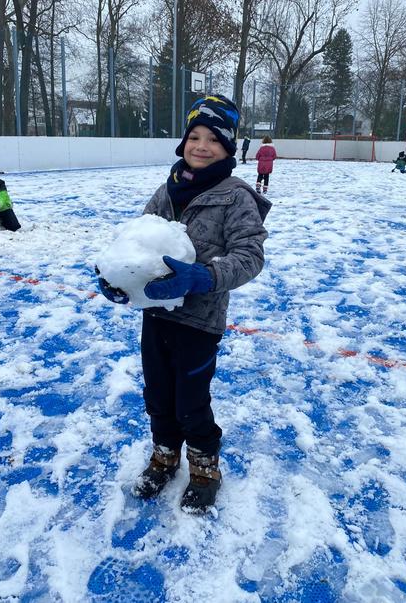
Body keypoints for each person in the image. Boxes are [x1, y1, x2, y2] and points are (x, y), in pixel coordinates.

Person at [96, 95, 271, 513]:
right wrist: (118, 279)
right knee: (158, 394)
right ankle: (164, 456)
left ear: (228, 147)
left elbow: (250, 256)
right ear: (183, 141)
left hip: (200, 321)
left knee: (191, 401)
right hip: (156, 316)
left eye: (214, 139)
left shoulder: (236, 197)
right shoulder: (167, 190)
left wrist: (204, 277)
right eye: (195, 137)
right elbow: (135, 245)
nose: (201, 146)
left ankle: (205, 469)